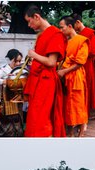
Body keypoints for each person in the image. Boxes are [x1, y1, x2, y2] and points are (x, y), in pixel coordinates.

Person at [22, 5, 65, 137]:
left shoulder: (55, 34)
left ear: (37, 17)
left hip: (45, 81)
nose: (29, 25)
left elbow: (51, 62)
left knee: (41, 117)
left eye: (29, 21)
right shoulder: (42, 35)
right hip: (38, 79)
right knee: (35, 116)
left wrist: (34, 55)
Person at [56, 16, 90, 137]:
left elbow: (81, 62)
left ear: (70, 26)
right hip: (65, 77)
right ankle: (70, 132)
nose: (61, 30)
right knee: (68, 106)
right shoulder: (65, 41)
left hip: (76, 76)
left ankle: (81, 133)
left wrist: (65, 71)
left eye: (62, 27)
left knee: (79, 105)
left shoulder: (82, 40)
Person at [71, 16, 95, 112]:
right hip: (77, 65)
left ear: (78, 22)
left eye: (73, 25)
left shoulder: (90, 33)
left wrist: (80, 54)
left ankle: (85, 112)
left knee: (86, 87)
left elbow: (94, 52)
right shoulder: (78, 34)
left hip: (87, 64)